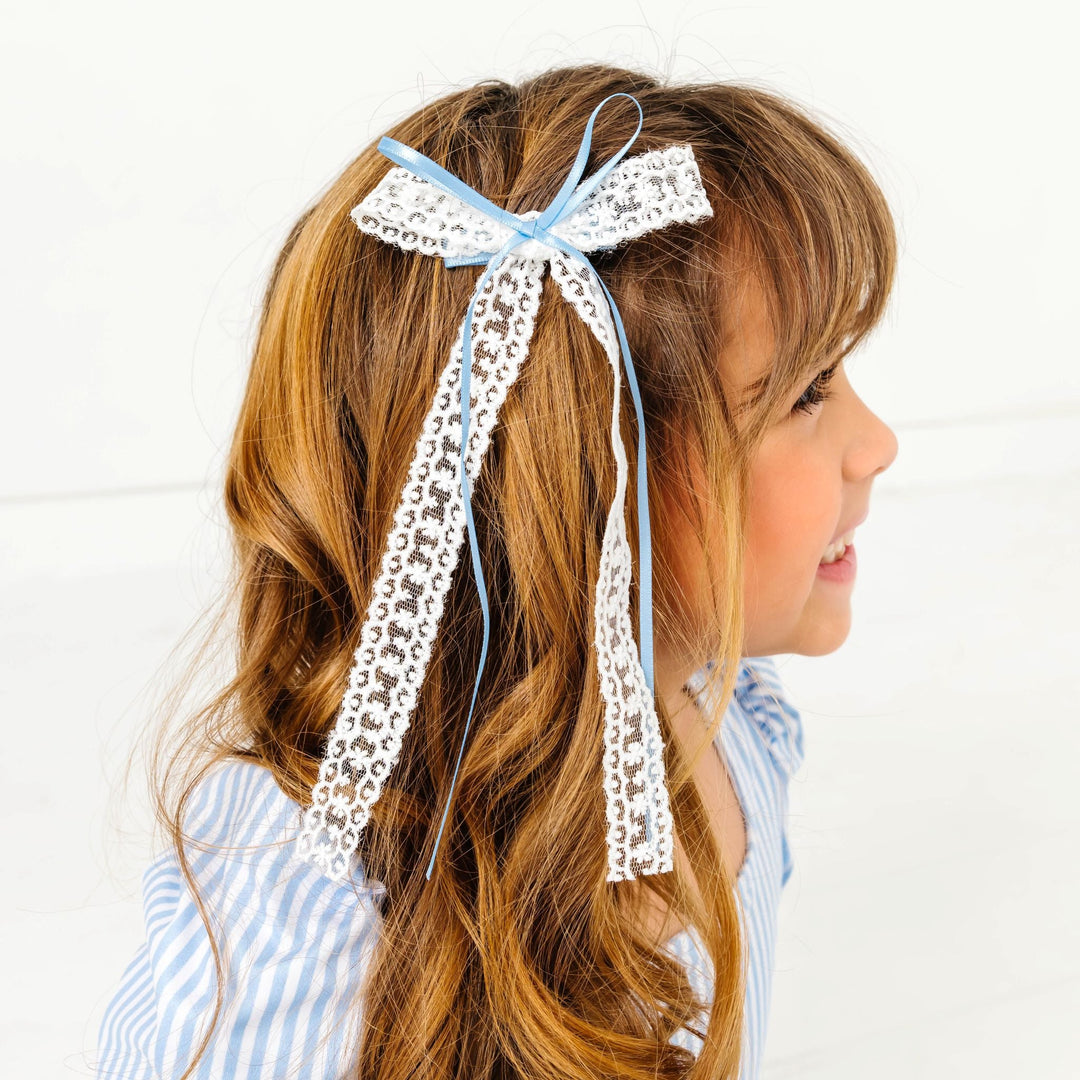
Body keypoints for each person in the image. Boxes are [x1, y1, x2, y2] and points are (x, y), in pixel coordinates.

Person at [91, 61, 898, 1080]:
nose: (878, 444)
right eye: (807, 392)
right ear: (584, 479)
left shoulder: (730, 723)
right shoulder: (298, 933)